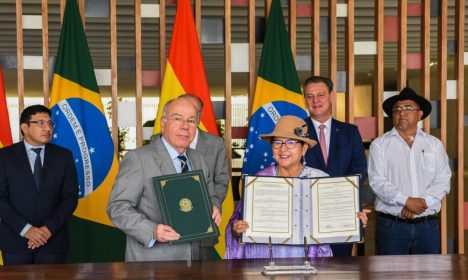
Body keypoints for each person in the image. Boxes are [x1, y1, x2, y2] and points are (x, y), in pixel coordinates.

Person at [225, 115, 369, 259]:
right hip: (265, 260)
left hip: (309, 261)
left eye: (291, 142)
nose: (283, 149)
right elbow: (236, 223)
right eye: (277, 142)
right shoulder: (258, 180)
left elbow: (337, 219)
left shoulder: (320, 180)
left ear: (304, 148)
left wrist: (354, 221)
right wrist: (236, 229)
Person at [107, 97, 223, 262]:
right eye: (177, 119)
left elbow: (212, 195)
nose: (185, 126)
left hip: (196, 260)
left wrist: (214, 206)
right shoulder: (138, 159)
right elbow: (117, 207)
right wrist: (152, 230)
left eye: (191, 121)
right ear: (163, 123)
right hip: (152, 263)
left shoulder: (199, 159)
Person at [368, 86, 451, 255]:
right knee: (391, 275)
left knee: (429, 275)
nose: (402, 113)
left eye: (408, 108)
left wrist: (422, 203)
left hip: (427, 225)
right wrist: (406, 201)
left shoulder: (434, 144)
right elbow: (377, 181)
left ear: (420, 114)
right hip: (392, 226)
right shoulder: (380, 144)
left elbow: (443, 179)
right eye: (397, 109)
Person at [0, 105, 78, 265]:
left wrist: (47, 230)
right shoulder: (4, 157)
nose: (47, 128)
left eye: (50, 123)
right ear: (24, 127)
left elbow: (70, 198)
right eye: (40, 123)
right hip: (15, 242)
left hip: (53, 241)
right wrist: (26, 229)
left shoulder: (64, 156)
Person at [302, 76, 367, 257]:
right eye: (310, 96)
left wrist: (336, 196)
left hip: (341, 215)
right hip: (307, 215)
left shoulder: (350, 131)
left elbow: (360, 169)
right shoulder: (297, 131)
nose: (315, 100)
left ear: (331, 96)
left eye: (320, 95)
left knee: (340, 269)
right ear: (305, 99)